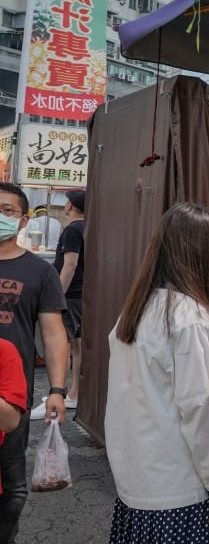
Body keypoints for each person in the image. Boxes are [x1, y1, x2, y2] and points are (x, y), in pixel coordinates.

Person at [105, 203, 209, 543]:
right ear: (199, 254)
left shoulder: (136, 309)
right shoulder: (187, 317)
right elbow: (200, 407)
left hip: (135, 481)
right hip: (180, 489)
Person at [0, 182, 67, 543]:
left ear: (23, 220)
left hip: (11, 395)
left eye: (7, 210)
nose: (1, 216)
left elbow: (53, 333)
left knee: (11, 488)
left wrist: (57, 390)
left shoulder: (39, 272)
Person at [31, 189, 86, 420]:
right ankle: (74, 394)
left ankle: (58, 396)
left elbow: (70, 264)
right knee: (77, 347)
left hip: (70, 296)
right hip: (82, 294)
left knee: (60, 345)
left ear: (70, 206)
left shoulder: (73, 229)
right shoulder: (87, 227)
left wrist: (57, 296)